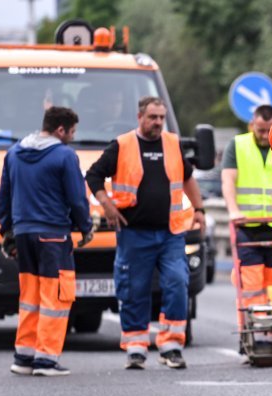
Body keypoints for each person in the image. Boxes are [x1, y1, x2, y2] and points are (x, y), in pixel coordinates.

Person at [85, 96, 206, 371]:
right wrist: (108, 206)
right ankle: (136, 348)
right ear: (140, 117)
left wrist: (199, 209)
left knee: (177, 284)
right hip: (134, 233)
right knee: (134, 289)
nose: (158, 123)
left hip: (171, 232)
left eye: (162, 118)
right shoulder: (122, 145)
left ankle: (171, 346)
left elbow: (188, 178)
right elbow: (93, 176)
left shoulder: (172, 144)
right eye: (153, 117)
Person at [0, 106, 93, 377]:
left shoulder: (14, 153)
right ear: (61, 129)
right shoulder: (64, 156)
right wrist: (85, 227)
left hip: (24, 234)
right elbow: (76, 198)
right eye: (72, 132)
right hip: (53, 234)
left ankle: (24, 356)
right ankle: (46, 360)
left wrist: (7, 230)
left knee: (30, 296)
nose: (72, 137)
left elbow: (3, 197)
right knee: (55, 298)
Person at [221, 104, 272, 346]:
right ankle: (252, 334)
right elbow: (228, 181)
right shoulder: (237, 145)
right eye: (260, 130)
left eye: (269, 130)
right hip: (247, 227)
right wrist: (233, 211)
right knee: (251, 284)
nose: (265, 135)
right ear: (252, 125)